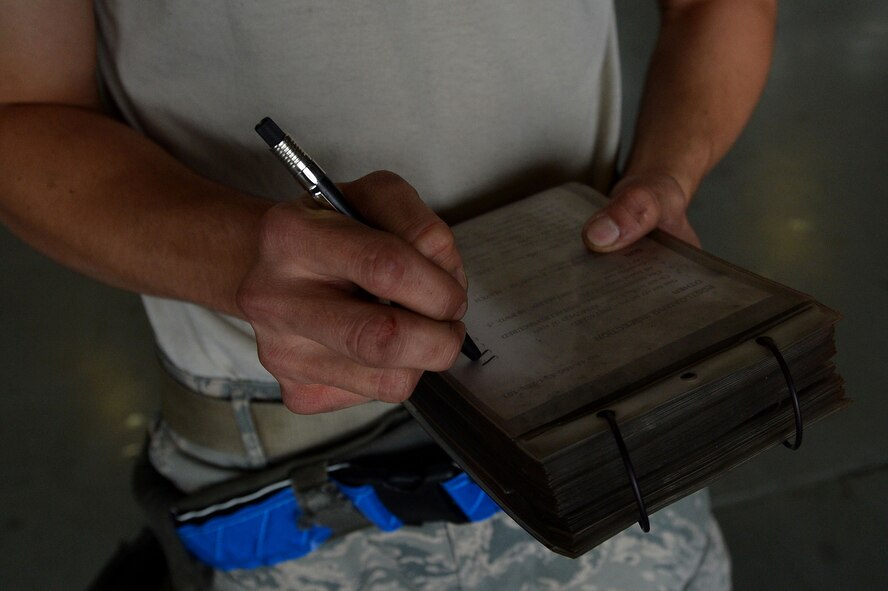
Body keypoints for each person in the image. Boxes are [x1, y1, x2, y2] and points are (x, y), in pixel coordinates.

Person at [0, 0, 777, 589]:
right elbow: (24, 115)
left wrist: (666, 174)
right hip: (287, 464)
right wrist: (244, 257)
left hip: (599, 390)